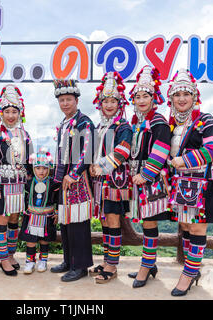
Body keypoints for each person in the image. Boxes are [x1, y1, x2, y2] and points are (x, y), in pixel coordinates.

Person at [166, 69, 213, 296]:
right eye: (177, 95)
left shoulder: (205, 120)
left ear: (194, 97)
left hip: (201, 185)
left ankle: (189, 273)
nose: (181, 99)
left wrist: (184, 160)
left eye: (186, 94)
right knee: (186, 227)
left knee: (198, 227)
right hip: (180, 186)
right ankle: (193, 268)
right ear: (171, 99)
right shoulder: (173, 125)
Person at [126, 66, 172, 288]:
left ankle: (147, 265)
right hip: (138, 178)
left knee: (150, 222)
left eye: (146, 96)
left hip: (149, 180)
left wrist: (145, 173)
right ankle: (149, 262)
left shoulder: (157, 121)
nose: (142, 100)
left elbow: (162, 148)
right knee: (146, 223)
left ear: (154, 99)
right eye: (138, 96)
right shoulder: (138, 122)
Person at [88, 71, 132, 284]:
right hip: (100, 181)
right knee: (105, 220)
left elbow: (123, 150)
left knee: (113, 221)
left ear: (119, 103)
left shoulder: (123, 126)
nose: (109, 104)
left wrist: (100, 166)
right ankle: (107, 260)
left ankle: (112, 265)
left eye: (113, 100)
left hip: (115, 181)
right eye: (105, 100)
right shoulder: (100, 126)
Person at [0, 84, 33, 276]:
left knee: (15, 219)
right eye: (7, 111)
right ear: (1, 113)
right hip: (2, 185)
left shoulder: (25, 135)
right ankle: (3, 258)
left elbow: (29, 162)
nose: (11, 115)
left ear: (20, 113)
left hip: (20, 184)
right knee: (2, 220)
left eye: (15, 111)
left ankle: (11, 253)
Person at [50, 79, 95, 282]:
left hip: (77, 180)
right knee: (66, 224)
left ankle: (81, 265)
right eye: (62, 100)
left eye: (68, 99)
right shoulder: (63, 124)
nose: (65, 103)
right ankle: (68, 260)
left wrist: (74, 173)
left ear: (76, 100)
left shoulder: (84, 122)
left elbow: (88, 152)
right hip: (63, 181)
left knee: (78, 224)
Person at [19, 148, 57, 274]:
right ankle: (30, 262)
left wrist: (56, 212)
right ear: (33, 168)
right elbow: (25, 198)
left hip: (47, 216)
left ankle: (43, 261)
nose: (41, 171)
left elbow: (57, 199)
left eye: (45, 168)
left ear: (49, 168)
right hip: (31, 216)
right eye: (38, 168)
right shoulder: (28, 182)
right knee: (30, 240)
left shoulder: (52, 183)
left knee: (44, 239)